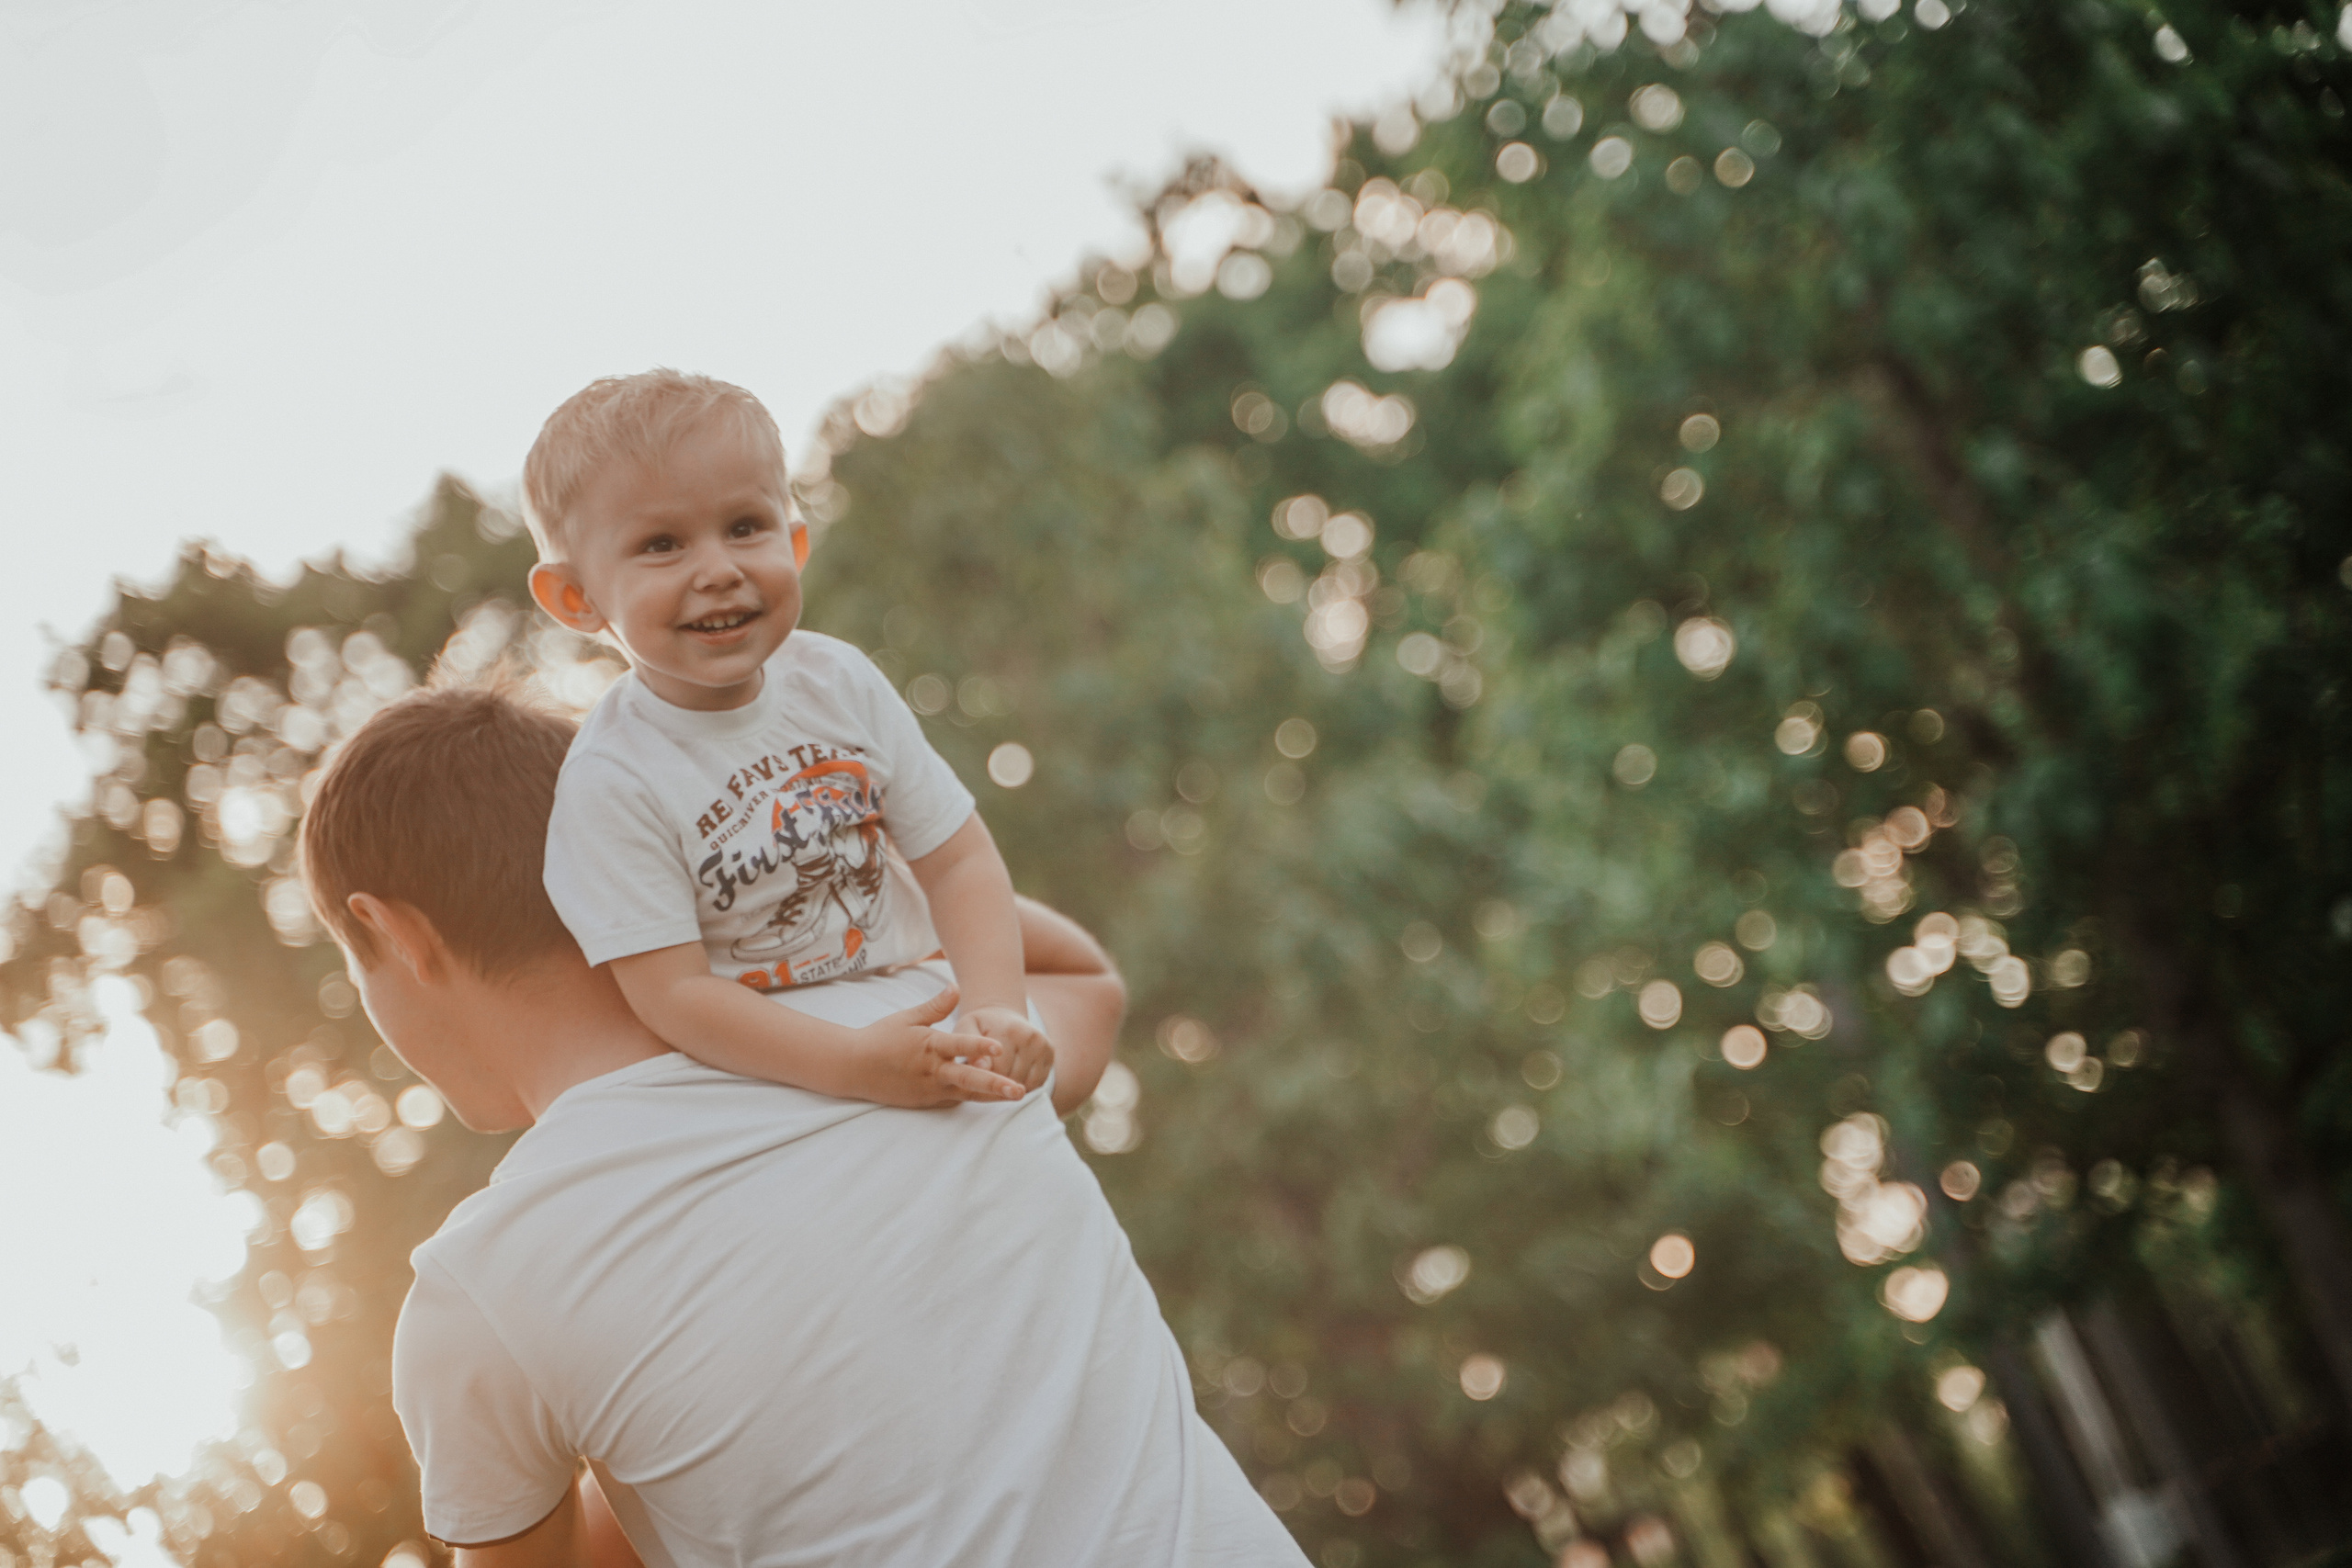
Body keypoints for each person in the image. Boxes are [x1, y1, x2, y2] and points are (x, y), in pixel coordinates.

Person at [300, 682, 1309, 1566]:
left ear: (396, 933)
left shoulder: (486, 1292)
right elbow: (1079, 980)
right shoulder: (922, 1032)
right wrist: (800, 889)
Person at [520, 367, 1047, 1111]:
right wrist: (851, 1062)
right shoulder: (612, 779)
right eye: (661, 544)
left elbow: (958, 859)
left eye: (744, 527)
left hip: (921, 1011)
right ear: (576, 597)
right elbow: (675, 994)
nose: (719, 569)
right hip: (778, 1077)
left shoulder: (838, 681)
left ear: (794, 542)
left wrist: (997, 1008)